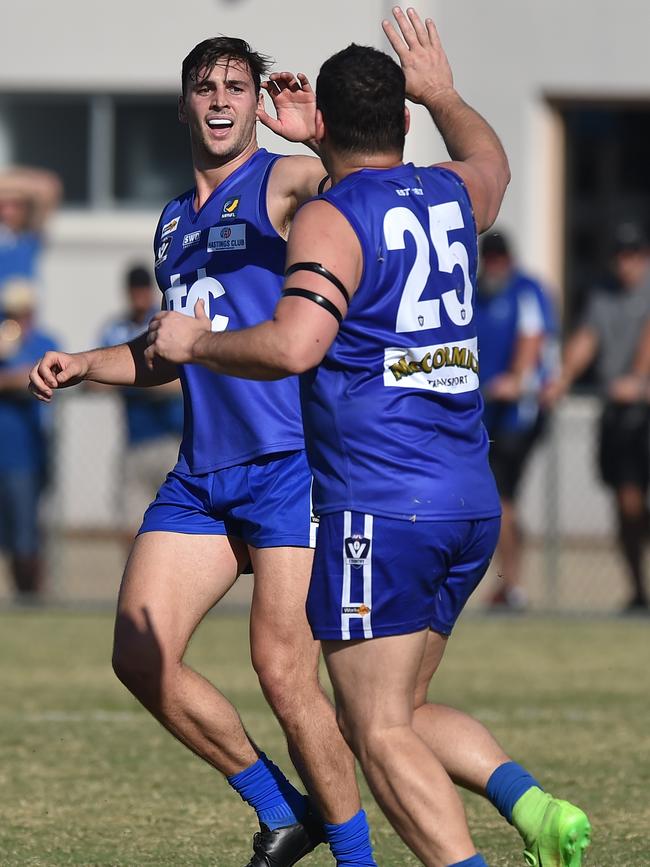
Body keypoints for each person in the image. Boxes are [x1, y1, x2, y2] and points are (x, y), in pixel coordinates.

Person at [143, 9, 592, 867]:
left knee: (373, 727)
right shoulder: (456, 193)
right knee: (402, 709)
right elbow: (494, 162)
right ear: (407, 118)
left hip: (381, 505)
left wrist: (195, 340)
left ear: (323, 128)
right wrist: (444, 90)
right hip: (469, 500)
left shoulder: (333, 213)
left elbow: (295, 345)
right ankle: (529, 805)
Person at [29, 35, 374, 867]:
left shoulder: (282, 180)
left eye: (235, 86)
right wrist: (85, 364)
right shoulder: (173, 221)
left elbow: (366, 193)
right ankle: (282, 810)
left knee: (286, 677)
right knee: (139, 653)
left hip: (290, 465)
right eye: (204, 86)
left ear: (256, 102)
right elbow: (164, 351)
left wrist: (314, 137)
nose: (219, 99)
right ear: (183, 103)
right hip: (202, 475)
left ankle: (360, 860)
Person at [546, 220, 650, 613]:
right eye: (620, 256)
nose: (627, 264)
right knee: (627, 506)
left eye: (634, 255)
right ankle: (639, 593)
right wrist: (563, 377)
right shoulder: (602, 296)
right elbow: (586, 339)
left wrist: (640, 380)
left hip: (642, 405)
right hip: (621, 416)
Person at [475, 230, 557, 611]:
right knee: (499, 500)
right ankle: (509, 583)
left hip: (518, 415)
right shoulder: (474, 292)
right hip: (484, 414)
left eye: (499, 260)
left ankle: (513, 585)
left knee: (501, 498)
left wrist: (519, 378)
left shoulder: (526, 289)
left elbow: (533, 336)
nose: (494, 267)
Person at [98, 265, 184, 543]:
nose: (139, 296)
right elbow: (95, 380)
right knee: (130, 527)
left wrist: (132, 380)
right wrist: (142, 380)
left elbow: (180, 382)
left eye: (143, 290)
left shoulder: (163, 323)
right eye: (134, 291)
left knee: (174, 526)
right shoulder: (116, 329)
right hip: (134, 440)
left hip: (170, 438)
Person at [0, 279, 58, 600]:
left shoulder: (43, 341)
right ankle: (21, 600)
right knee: (9, 538)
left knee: (27, 536)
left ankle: (33, 598)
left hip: (27, 458)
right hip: (4, 455)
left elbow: (39, 375)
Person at [0, 166, 62, 296]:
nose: (9, 211)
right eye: (3, 204)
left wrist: (12, 177)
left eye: (17, 204)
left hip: (24, 312)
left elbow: (49, 186)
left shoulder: (30, 236)